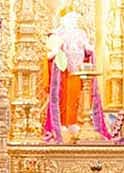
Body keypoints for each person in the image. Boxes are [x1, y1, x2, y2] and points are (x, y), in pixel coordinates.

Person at [43, 4, 111, 142]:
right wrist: (56, 51)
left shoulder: (81, 34)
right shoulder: (56, 34)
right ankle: (61, 124)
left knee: (75, 98)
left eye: (75, 19)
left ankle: (74, 122)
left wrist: (90, 48)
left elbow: (87, 48)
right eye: (71, 18)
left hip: (78, 71)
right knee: (62, 99)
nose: (73, 21)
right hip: (63, 72)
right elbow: (48, 55)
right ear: (63, 19)